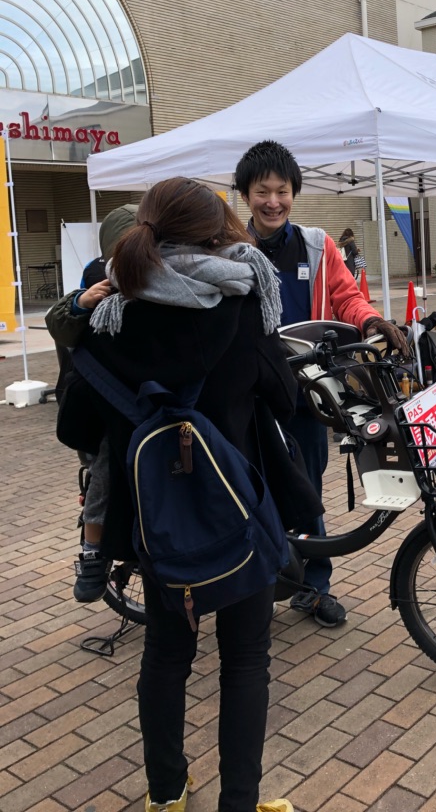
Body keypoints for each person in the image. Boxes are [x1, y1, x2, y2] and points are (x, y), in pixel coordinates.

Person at [56, 178, 295, 812]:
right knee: (246, 660)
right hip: (234, 515)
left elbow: (72, 425)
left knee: (166, 656)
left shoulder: (110, 308)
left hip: (155, 527)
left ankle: (166, 794)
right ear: (218, 233)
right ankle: (239, 803)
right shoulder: (243, 299)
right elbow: (286, 397)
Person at [234, 140, 408, 628]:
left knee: (308, 488)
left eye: (282, 191)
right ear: (246, 195)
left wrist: (373, 322)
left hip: (305, 391)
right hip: (248, 394)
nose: (273, 201)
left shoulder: (316, 245)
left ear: (294, 193)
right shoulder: (231, 250)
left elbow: (346, 297)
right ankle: (256, 583)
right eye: (262, 191)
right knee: (252, 489)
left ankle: (314, 586)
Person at [46, 204, 138, 602]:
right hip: (97, 411)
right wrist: (84, 303)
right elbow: (59, 324)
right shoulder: (93, 280)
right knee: (103, 472)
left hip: (141, 404)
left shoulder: (163, 275)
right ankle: (92, 552)